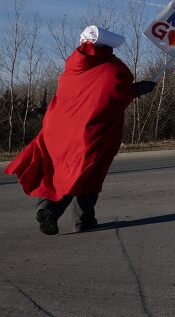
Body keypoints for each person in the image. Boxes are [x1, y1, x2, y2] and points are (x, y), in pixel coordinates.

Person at [3, 26, 156, 235]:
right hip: (90, 132)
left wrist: (132, 89)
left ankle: (48, 207)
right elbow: (112, 95)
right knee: (87, 172)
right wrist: (138, 89)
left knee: (60, 170)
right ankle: (77, 218)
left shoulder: (73, 66)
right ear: (104, 48)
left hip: (57, 129)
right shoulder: (109, 68)